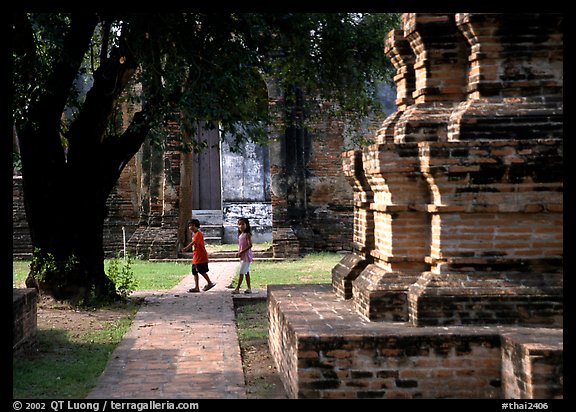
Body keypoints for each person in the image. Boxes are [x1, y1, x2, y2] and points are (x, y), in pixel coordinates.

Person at [180, 219, 216, 293]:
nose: (191, 227)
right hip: (196, 256)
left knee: (201, 270)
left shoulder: (198, 234)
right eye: (189, 226)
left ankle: (209, 283)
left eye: (192, 225)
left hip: (200, 256)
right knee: (194, 271)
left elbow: (193, 243)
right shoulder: (195, 234)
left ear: (196, 226)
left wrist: (186, 248)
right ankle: (196, 287)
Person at [232, 217, 253, 294]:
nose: (241, 226)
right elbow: (241, 246)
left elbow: (250, 245)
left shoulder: (247, 235)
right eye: (239, 224)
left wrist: (241, 252)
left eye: (243, 224)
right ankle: (249, 288)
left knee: (241, 272)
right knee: (246, 272)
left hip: (246, 256)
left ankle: (237, 288)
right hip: (242, 256)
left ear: (247, 225)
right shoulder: (241, 235)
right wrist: (239, 252)